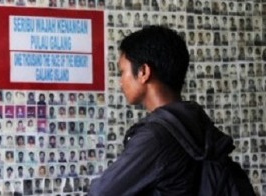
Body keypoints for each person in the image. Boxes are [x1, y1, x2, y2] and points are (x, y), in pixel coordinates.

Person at [89, 25, 239, 195]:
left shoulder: (156, 137)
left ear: (143, 72)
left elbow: (100, 193)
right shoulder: (196, 122)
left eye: (122, 72)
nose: (120, 82)